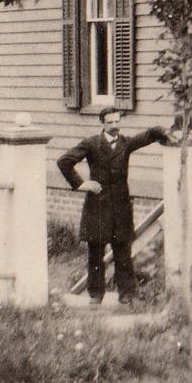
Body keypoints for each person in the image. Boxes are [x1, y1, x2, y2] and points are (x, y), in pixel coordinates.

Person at [55, 106, 175, 306]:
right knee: (96, 252)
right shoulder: (91, 143)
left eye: (117, 121)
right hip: (98, 205)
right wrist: (82, 184)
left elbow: (148, 135)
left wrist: (164, 131)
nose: (114, 126)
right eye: (110, 122)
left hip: (120, 205)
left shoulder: (126, 143)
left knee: (123, 252)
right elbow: (64, 161)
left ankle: (127, 294)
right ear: (101, 123)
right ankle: (95, 295)